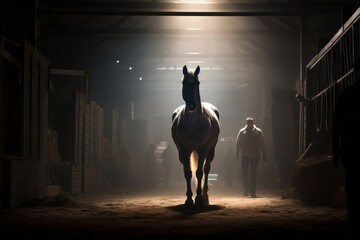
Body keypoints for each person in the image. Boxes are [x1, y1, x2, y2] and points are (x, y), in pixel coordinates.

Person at [332, 57, 360, 228]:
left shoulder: (346, 95)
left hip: (351, 149)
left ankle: (354, 216)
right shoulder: (346, 96)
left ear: (355, 73)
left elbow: (336, 125)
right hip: (351, 148)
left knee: (352, 182)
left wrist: (335, 149)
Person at [235, 117, 267, 198]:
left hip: (255, 156)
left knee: (253, 174)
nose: (249, 123)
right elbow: (238, 142)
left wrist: (264, 154)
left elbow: (262, 143)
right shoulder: (242, 132)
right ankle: (246, 189)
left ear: (252, 122)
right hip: (245, 155)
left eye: (250, 122)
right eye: (248, 122)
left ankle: (252, 191)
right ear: (246, 122)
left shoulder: (258, 132)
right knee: (245, 173)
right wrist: (237, 152)